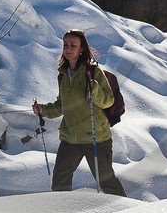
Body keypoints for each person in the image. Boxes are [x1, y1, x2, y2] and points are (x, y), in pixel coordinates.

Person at [31, 29, 127, 196]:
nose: (68, 49)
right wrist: (43, 110)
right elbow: (62, 105)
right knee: (60, 180)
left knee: (106, 181)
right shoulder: (63, 75)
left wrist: (94, 88)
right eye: (65, 45)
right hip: (70, 137)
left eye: (73, 45)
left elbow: (108, 100)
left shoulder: (94, 72)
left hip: (96, 137)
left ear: (81, 48)